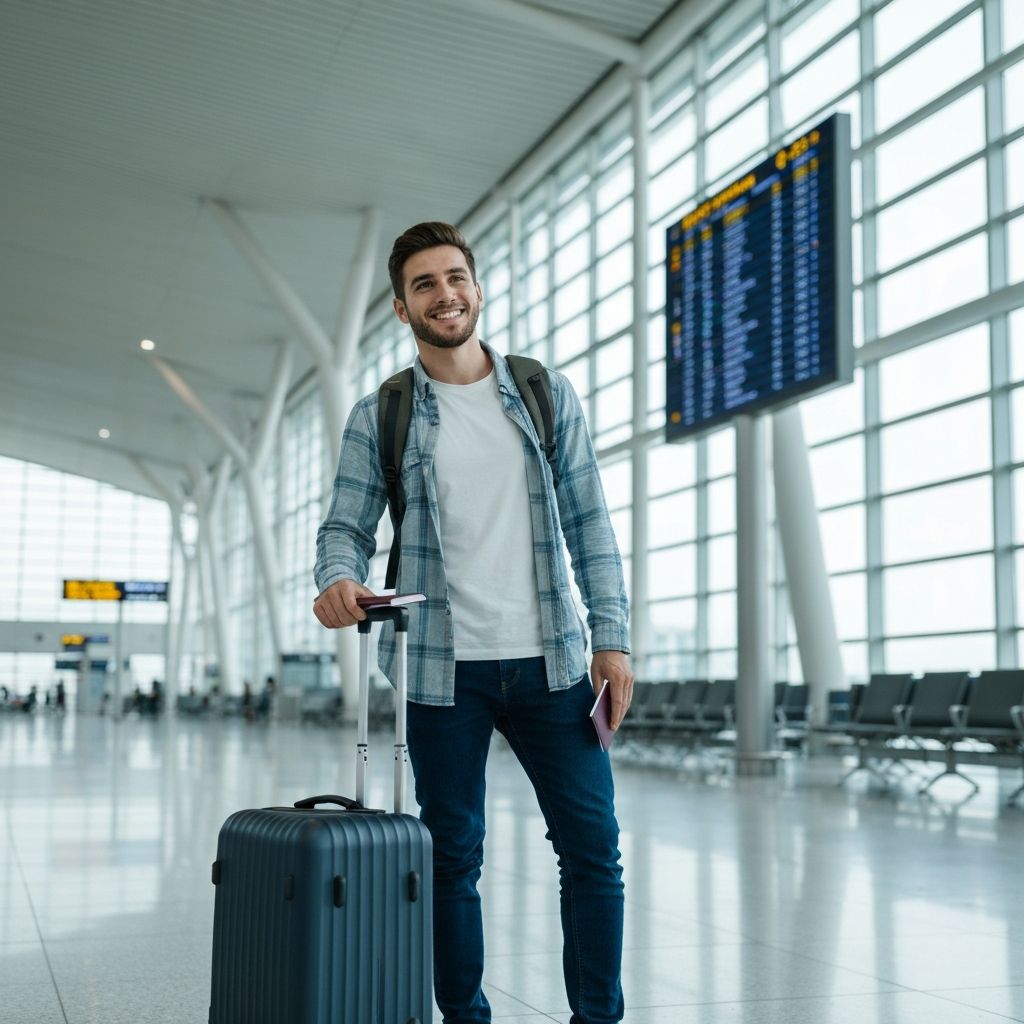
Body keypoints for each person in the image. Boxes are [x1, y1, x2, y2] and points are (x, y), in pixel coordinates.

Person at [313, 222, 633, 1024]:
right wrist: (338, 578)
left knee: (593, 852)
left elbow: (589, 521)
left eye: (455, 277)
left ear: (478, 289)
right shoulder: (382, 414)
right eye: (424, 284)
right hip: (439, 671)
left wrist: (613, 637)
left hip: (555, 665)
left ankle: (598, 1018)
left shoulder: (543, 393)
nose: (444, 294)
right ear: (402, 308)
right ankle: (465, 1018)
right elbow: (345, 527)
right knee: (451, 858)